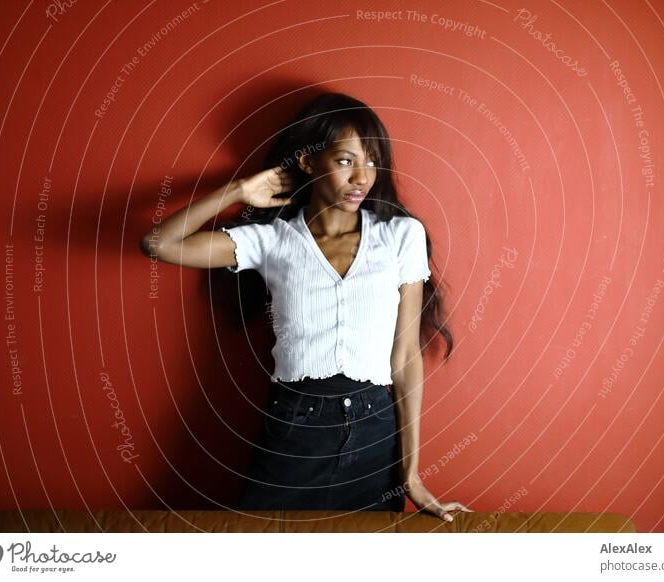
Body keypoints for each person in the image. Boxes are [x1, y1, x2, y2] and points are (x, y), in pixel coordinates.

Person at [141, 92, 471, 522]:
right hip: (294, 429)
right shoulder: (271, 240)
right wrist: (237, 190)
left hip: (374, 434)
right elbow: (157, 244)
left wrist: (411, 476)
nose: (362, 177)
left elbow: (405, 358)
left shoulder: (400, 236)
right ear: (308, 162)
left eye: (371, 160)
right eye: (346, 160)